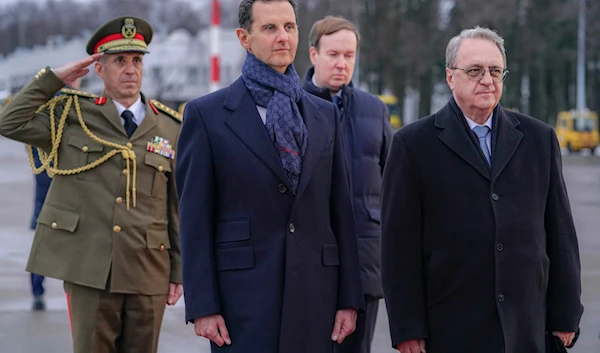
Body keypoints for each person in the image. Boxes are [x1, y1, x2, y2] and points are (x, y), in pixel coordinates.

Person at [381, 26, 583, 353]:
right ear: (450, 77)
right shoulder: (412, 145)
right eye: (475, 70)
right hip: (450, 327)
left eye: (495, 70)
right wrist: (407, 327)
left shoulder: (538, 139)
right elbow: (397, 247)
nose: (487, 79)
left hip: (528, 327)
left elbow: (560, 234)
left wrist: (567, 313)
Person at [176, 1, 364, 353]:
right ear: (244, 38)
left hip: (315, 296)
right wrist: (204, 306)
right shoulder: (207, 115)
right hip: (241, 303)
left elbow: (341, 211)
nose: (283, 37)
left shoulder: (324, 114)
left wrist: (349, 297)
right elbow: (194, 219)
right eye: (270, 28)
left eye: (289, 27)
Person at [0, 16, 183, 353]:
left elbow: (176, 206)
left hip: (148, 271)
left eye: (137, 61)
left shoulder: (170, 127)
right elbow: (9, 121)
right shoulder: (73, 117)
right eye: (119, 61)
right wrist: (54, 79)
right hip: (91, 272)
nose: (130, 70)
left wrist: (179, 270)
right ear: (99, 69)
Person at [301, 15, 393, 353]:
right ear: (313, 55)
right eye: (333, 54)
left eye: (349, 55)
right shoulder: (291, 108)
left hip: (365, 261)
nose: (342, 63)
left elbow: (395, 186)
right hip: (310, 264)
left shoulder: (375, 111)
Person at [28, 78, 82, 312]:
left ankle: (37, 293)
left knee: (41, 252)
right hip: (62, 200)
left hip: (45, 198)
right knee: (74, 257)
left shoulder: (41, 116)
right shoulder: (71, 112)